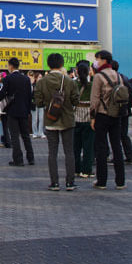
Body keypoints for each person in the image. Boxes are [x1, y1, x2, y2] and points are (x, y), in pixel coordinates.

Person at [34, 53, 80, 192]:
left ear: (48, 65)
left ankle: (54, 183)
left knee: (52, 152)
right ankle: (70, 182)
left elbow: (38, 102)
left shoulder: (42, 82)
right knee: (69, 152)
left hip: (50, 119)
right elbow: (75, 100)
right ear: (61, 64)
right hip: (67, 120)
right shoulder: (69, 81)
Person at [90, 50, 125, 190]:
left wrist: (92, 117)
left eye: (97, 59)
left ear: (103, 60)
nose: (96, 62)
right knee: (117, 146)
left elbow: (94, 99)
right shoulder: (118, 75)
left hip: (102, 114)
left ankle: (102, 180)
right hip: (116, 114)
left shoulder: (99, 76)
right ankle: (120, 180)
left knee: (101, 148)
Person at [0, 57, 34, 167]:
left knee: (14, 136)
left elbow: (1, 95)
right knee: (26, 135)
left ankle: (18, 159)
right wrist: (28, 110)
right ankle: (31, 158)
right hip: (24, 110)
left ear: (10, 66)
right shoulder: (26, 79)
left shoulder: (8, 79)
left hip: (12, 111)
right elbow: (30, 96)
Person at [112, 60, 132, 165]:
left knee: (117, 134)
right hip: (124, 110)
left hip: (116, 110)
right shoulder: (123, 77)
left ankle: (122, 155)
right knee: (123, 134)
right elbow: (131, 89)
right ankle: (129, 155)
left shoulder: (112, 78)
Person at [73, 60, 95, 178]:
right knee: (88, 146)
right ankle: (86, 170)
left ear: (77, 71)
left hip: (75, 116)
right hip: (88, 117)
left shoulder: (73, 84)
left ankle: (76, 168)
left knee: (76, 146)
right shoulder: (92, 85)